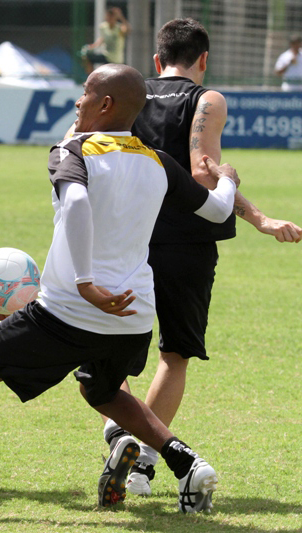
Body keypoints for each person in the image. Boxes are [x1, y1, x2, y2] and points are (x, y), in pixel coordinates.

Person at [0, 63, 239, 520]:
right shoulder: (158, 160)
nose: (78, 101)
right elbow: (219, 210)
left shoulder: (73, 149)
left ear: (105, 104)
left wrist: (86, 283)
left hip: (69, 309)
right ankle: (188, 463)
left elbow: (79, 201)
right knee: (103, 391)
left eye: (85, 93)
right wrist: (228, 180)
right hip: (134, 316)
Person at [102, 18, 302, 498]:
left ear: (157, 60)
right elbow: (205, 174)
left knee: (99, 352)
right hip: (188, 244)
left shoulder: (130, 92)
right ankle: (143, 465)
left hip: (129, 238)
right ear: (204, 59)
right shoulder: (208, 100)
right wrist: (260, 218)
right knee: (174, 356)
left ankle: (117, 434)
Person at [80, 7, 129, 74]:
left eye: (111, 17)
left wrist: (121, 17)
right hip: (106, 55)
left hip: (116, 58)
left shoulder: (119, 28)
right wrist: (93, 45)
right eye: (108, 16)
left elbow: (128, 30)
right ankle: (91, 77)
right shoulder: (103, 26)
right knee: (88, 57)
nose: (109, 18)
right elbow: (102, 38)